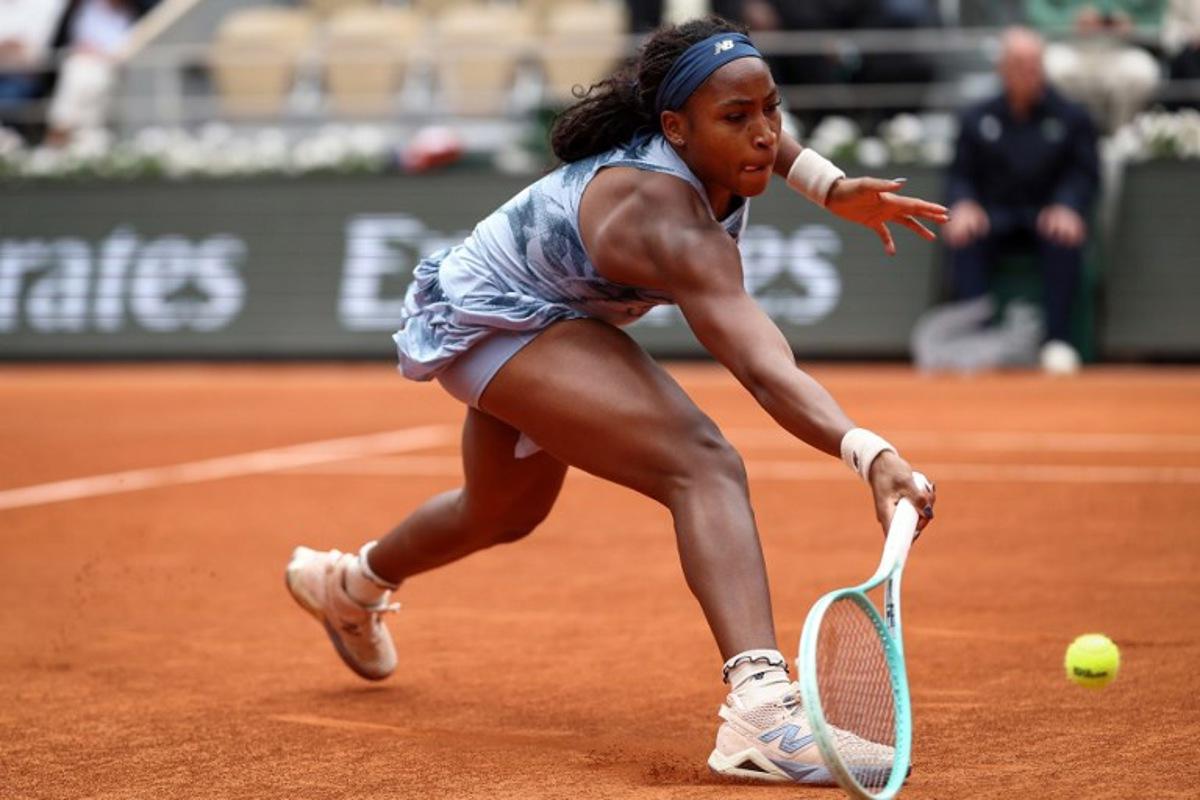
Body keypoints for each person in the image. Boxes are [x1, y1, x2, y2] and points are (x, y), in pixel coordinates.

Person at [285, 16, 943, 785]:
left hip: (541, 303)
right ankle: (759, 713)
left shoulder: (730, 134)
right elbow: (764, 368)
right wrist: (868, 451)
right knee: (703, 464)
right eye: (738, 119)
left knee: (500, 510)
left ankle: (350, 585)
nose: (764, 134)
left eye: (772, 107)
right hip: (496, 314)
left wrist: (829, 188)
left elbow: (762, 133)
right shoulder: (669, 223)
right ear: (676, 128)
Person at [941, 27, 1099, 373]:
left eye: (1033, 63)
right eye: (1018, 63)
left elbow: (1084, 173)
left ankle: (1058, 342)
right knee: (964, 234)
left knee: (1063, 236)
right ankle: (975, 341)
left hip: (1046, 215)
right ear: (1002, 68)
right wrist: (964, 203)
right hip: (994, 216)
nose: (1027, 71)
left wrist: (1068, 205)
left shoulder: (1072, 117)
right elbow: (959, 174)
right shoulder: (976, 117)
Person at [1027, 0, 1164, 132]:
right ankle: (1068, 138)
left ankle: (1121, 139)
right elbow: (1036, 14)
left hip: (1119, 47)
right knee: (1052, 66)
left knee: (1141, 71)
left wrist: (1133, 23)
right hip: (1071, 43)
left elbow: (1157, 18)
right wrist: (1070, 20)